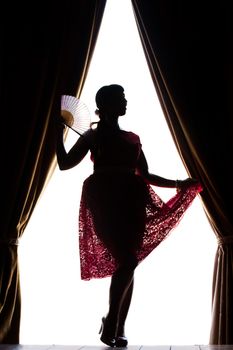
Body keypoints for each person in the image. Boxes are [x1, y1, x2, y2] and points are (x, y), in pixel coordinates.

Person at [56, 84, 202, 347]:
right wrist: (59, 132)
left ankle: (118, 327)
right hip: (104, 200)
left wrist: (180, 183)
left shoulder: (133, 138)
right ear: (108, 104)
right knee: (128, 261)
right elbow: (65, 164)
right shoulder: (92, 135)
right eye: (121, 98)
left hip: (132, 202)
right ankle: (111, 320)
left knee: (130, 262)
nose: (126, 101)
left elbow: (146, 175)